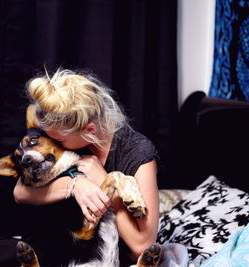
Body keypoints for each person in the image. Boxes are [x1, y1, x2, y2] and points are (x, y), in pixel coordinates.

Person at [13, 68, 160, 266]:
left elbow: (142, 245)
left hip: (102, 256)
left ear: (89, 130)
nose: (54, 143)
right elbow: (20, 192)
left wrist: (107, 184)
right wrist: (75, 185)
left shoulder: (137, 153)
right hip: (58, 249)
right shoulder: (58, 133)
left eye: (60, 139)